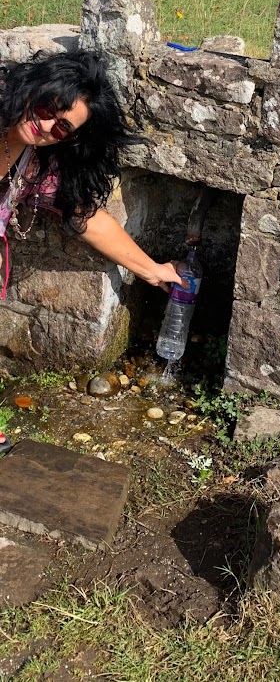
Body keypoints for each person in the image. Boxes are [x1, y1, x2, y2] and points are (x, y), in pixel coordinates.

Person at [0, 48, 186, 449]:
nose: (47, 124)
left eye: (63, 127)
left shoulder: (35, 157)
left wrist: (150, 269)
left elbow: (86, 217)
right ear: (35, 89)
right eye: (49, 107)